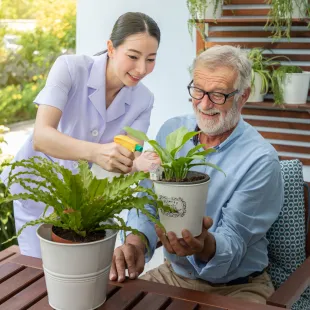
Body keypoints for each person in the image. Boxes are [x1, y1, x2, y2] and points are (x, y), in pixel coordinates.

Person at [110, 45, 284, 305]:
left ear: (243, 96)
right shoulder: (173, 130)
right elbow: (148, 198)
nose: (204, 104)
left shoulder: (260, 160)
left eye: (218, 95)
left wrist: (203, 245)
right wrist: (135, 243)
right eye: (199, 90)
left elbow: (234, 241)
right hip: (173, 276)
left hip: (237, 288)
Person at [1, 12, 161, 258]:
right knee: (38, 274)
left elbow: (127, 157)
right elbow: (41, 137)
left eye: (151, 59)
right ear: (111, 48)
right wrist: (97, 153)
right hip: (38, 189)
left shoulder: (144, 99)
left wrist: (139, 162)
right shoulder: (70, 68)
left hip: (85, 205)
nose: (142, 69)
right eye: (133, 56)